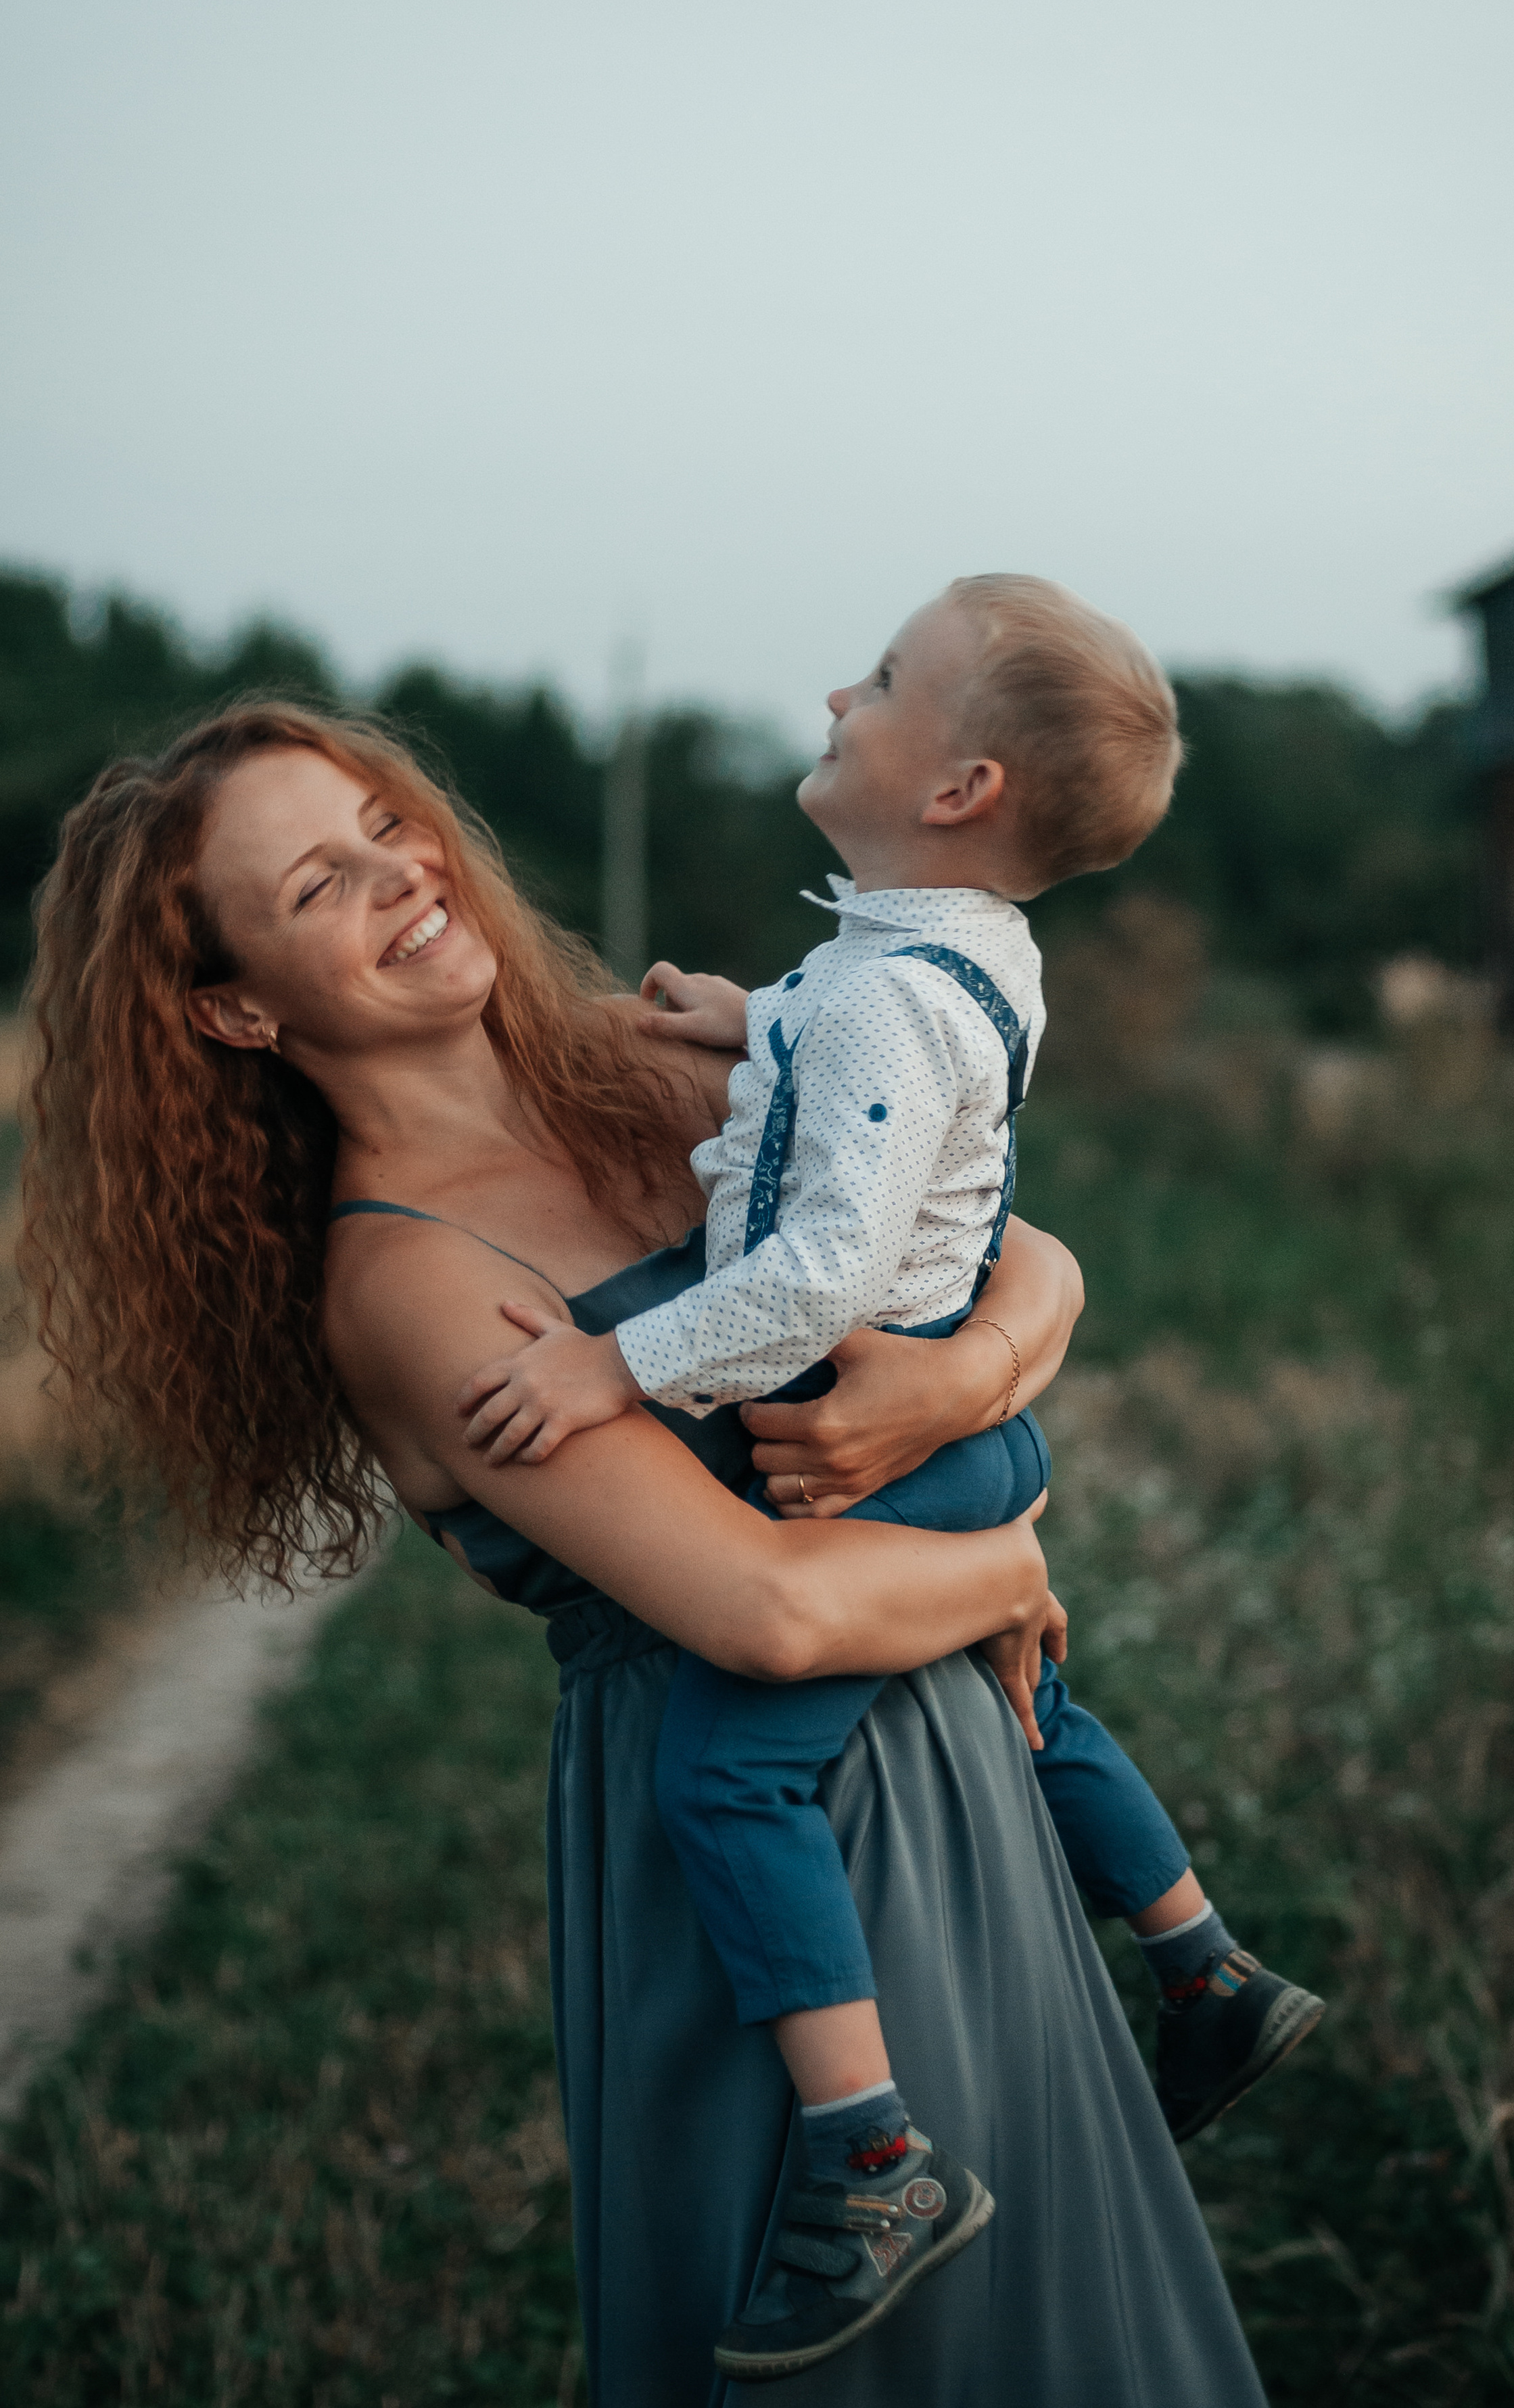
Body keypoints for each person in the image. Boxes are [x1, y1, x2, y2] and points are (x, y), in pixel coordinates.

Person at [20, 697, 1271, 2407]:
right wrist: (1002, 1570)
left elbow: (1021, 1255)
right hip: (753, 1860)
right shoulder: (408, 1279)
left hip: (961, 1762)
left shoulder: (660, 1070)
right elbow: (765, 1613)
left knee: (1055, 2314)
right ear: (237, 1009)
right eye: (318, 885)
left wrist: (953, 1380)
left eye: (387, 825)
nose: (402, 876)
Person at [455, 576, 1322, 2376]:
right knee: (1027, 1701)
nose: (837, 697)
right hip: (956, 1426)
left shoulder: (881, 1004)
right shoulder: (939, 953)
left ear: (958, 787)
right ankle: (1205, 1967)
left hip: (878, 1435)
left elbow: (817, 1274)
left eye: (879, 680)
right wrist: (746, 1026)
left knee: (724, 1775)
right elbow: (871, 1059)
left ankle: (869, 2165)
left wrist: (612, 1361)